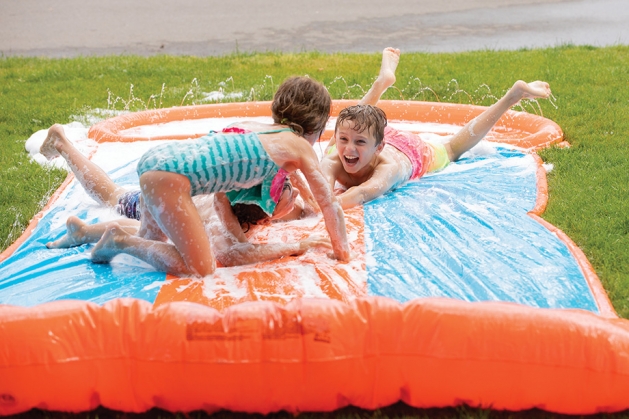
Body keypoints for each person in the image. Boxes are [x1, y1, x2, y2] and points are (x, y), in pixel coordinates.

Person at [91, 76, 349, 277]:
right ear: (318, 126)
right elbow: (329, 203)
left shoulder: (257, 132)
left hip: (158, 161)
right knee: (200, 268)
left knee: (152, 243)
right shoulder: (298, 144)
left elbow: (221, 195)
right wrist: (342, 252)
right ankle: (119, 241)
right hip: (170, 180)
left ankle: (100, 241)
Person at [41, 124, 331, 271]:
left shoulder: (251, 193)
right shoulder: (222, 214)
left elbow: (298, 189)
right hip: (159, 199)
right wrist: (294, 246)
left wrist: (312, 195)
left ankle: (84, 231)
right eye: (289, 192)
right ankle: (62, 145)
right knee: (114, 196)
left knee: (162, 235)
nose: (294, 198)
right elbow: (231, 255)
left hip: (170, 192)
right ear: (264, 203)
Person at [321, 58, 552, 208]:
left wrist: (324, 205)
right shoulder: (337, 153)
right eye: (344, 141)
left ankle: (511, 97)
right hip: (372, 135)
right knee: (349, 126)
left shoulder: (389, 168)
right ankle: (381, 82)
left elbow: (361, 194)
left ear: (378, 148)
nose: (348, 150)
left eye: (357, 144)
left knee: (452, 149)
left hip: (409, 150)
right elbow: (319, 187)